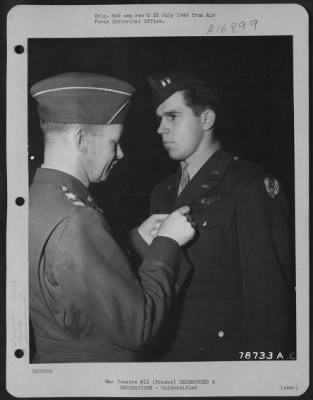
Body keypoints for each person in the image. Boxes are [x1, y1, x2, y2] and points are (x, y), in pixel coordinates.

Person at [29, 72, 195, 363]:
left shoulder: (34, 199)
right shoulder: (77, 218)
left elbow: (67, 281)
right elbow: (138, 326)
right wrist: (167, 244)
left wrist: (135, 241)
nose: (120, 153)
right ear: (82, 139)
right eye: (113, 142)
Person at [131, 72, 296, 361]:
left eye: (172, 117)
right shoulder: (163, 191)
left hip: (222, 358)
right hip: (169, 353)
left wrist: (261, 373)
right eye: (159, 119)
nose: (160, 129)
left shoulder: (249, 184)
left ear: (206, 120)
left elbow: (269, 297)